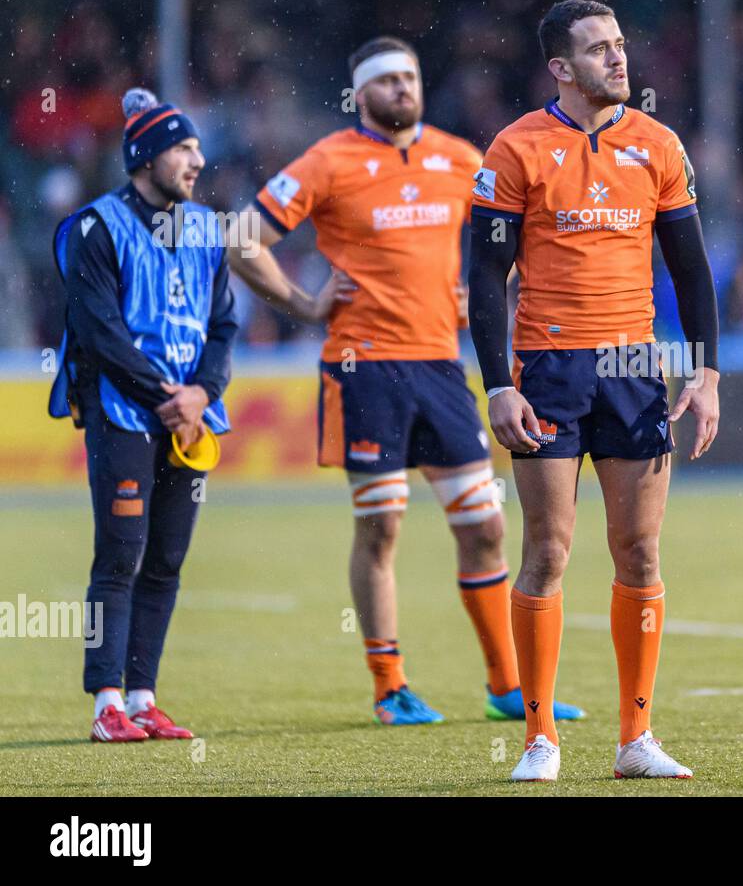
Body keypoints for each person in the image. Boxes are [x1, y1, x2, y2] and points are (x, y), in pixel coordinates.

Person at [224, 37, 583, 726]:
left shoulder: (461, 157)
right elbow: (243, 239)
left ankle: (507, 686)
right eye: (387, 81)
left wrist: (475, 295)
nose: (402, 89)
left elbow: (508, 241)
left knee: (485, 526)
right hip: (366, 369)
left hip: (442, 368)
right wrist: (304, 305)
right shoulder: (329, 160)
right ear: (361, 94)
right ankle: (390, 687)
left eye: (410, 77)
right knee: (382, 528)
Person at [468, 0, 721, 781]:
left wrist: (706, 372)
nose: (618, 59)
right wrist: (497, 387)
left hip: (633, 373)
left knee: (639, 550)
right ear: (560, 68)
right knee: (547, 551)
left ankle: (635, 740)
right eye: (598, 50)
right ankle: (539, 738)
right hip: (548, 370)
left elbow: (692, 270)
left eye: (619, 45)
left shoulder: (657, 145)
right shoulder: (515, 148)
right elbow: (483, 276)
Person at [49, 87, 237, 742]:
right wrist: (173, 396)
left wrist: (204, 395)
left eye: (196, 148)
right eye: (184, 148)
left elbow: (223, 329)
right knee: (121, 555)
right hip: (123, 413)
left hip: (190, 416)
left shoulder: (210, 229)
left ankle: (142, 697)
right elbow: (100, 333)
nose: (198, 160)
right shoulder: (97, 228)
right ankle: (105, 703)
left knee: (166, 559)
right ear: (146, 155)